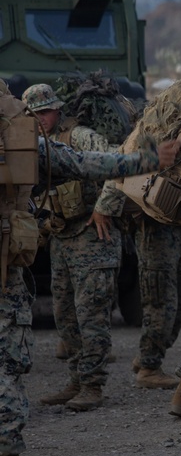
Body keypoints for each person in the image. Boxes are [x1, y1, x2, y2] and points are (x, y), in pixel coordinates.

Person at [0, 79, 179, 456]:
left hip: (80, 234)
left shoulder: (60, 134)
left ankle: (89, 381)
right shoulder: (20, 138)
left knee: (87, 311)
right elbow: (84, 163)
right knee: (8, 360)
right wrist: (146, 161)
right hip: (23, 254)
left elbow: (86, 160)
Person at [27, 84, 122, 412]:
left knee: (91, 313)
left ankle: (93, 385)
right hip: (62, 238)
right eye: (33, 114)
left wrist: (104, 207)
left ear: (57, 110)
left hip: (91, 235)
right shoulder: (33, 146)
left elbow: (117, 166)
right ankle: (77, 378)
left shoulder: (79, 136)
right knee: (64, 314)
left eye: (45, 112)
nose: (40, 119)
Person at [94, 182, 181, 389]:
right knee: (160, 301)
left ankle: (148, 355)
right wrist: (104, 208)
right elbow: (122, 169)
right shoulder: (146, 148)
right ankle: (149, 366)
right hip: (154, 226)